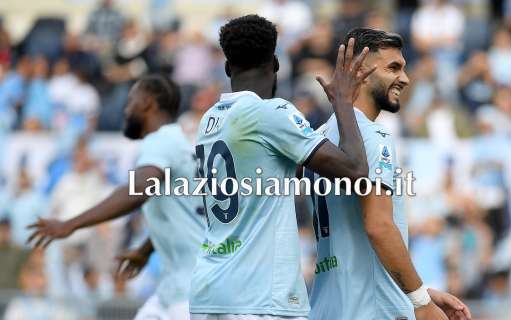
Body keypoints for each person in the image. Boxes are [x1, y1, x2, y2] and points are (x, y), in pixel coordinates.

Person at [190, 14, 374, 320]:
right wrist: (342, 101)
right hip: (259, 297)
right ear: (275, 64)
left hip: (210, 289)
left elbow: (286, 172)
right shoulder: (271, 113)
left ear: (226, 68)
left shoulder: (210, 120)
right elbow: (355, 170)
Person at [306, 28, 472, 320]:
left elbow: (352, 242)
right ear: (360, 70)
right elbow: (379, 227)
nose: (405, 79)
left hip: (328, 307)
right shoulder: (373, 136)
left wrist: (421, 292)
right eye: (393, 68)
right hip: (369, 310)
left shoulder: (317, 140)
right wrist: (420, 302)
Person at [27, 74, 204, 320]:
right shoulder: (180, 145)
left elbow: (137, 191)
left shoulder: (161, 141)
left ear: (146, 103)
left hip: (189, 297)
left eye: (130, 101)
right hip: (177, 291)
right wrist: (145, 249)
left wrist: (70, 224)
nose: (126, 109)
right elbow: (183, 214)